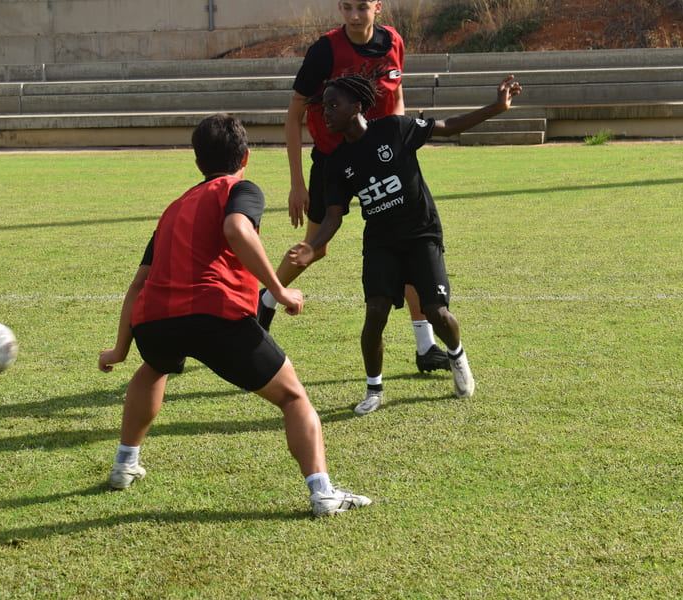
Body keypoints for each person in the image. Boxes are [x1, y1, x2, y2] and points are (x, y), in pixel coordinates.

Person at [97, 113, 370, 517]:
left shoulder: (173, 209)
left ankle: (124, 465)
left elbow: (138, 285)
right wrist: (279, 290)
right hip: (214, 316)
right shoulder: (239, 188)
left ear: (197, 163)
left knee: (152, 369)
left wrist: (121, 348)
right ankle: (324, 494)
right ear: (246, 156)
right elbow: (236, 229)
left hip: (155, 321)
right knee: (294, 397)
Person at [287, 74, 523, 415]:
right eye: (324, 107)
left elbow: (448, 126)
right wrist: (312, 247)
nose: (326, 113)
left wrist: (497, 107)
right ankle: (374, 390)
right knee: (375, 314)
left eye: (334, 105)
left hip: (421, 234)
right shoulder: (337, 162)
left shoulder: (395, 129)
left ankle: (457, 356)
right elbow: (334, 216)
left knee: (436, 313)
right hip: (381, 242)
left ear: (357, 107)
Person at [257, 0, 452, 375]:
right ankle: (265, 300)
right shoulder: (324, 51)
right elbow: (295, 113)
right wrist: (297, 183)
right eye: (346, 7)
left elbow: (395, 96)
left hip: (380, 160)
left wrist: (397, 145)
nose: (353, 15)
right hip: (334, 162)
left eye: (361, 6)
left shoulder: (393, 41)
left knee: (409, 241)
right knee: (317, 247)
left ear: (377, 7)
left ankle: (426, 346)